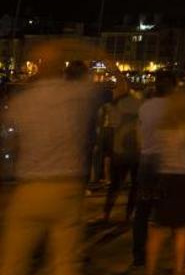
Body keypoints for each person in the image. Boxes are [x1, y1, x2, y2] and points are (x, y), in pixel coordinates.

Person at [0, 57, 101, 275]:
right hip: (68, 187)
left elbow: (10, 141)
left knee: (14, 260)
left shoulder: (24, 100)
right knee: (65, 262)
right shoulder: (80, 98)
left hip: (30, 187)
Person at [146, 89, 185, 275]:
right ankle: (179, 270)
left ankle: (150, 269)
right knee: (182, 229)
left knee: (157, 229)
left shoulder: (162, 129)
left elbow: (153, 155)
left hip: (165, 179)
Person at [133, 71, 176, 269]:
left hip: (146, 159)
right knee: (170, 210)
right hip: (166, 162)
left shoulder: (145, 107)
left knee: (142, 210)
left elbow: (139, 133)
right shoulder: (174, 109)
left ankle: (138, 253)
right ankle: (177, 254)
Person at [103, 77, 143, 223]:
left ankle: (106, 213)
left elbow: (109, 129)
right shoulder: (139, 103)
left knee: (115, 185)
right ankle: (129, 214)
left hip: (119, 150)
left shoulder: (114, 106)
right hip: (136, 151)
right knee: (135, 185)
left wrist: (107, 151)